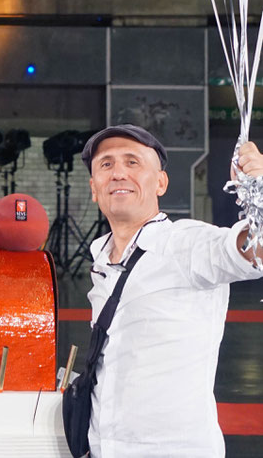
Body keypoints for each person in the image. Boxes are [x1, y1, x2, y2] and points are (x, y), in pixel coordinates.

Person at [79, 124, 263, 457]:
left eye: (132, 162)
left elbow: (254, 251)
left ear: (161, 183)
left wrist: (260, 191)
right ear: (94, 188)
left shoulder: (185, 244)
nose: (118, 172)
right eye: (106, 164)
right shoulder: (102, 261)